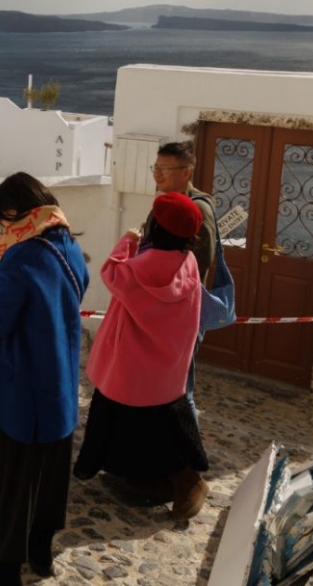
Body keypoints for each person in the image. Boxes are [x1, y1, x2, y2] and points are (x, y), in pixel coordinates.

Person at [0, 172, 90, 586]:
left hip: (20, 390)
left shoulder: (20, 256)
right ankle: (42, 555)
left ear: (16, 211)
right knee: (48, 479)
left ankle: (6, 571)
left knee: (12, 479)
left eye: (4, 216)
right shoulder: (68, 246)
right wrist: (0, 273)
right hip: (59, 388)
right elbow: (46, 294)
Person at [73, 191, 210, 521]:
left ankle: (178, 479)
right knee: (162, 422)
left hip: (131, 362)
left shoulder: (136, 270)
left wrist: (127, 242)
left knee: (126, 418)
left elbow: (110, 273)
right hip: (168, 361)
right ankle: (164, 478)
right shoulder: (188, 263)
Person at [144, 140, 217, 405]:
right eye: (156, 167)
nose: (157, 174)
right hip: (161, 309)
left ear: (186, 172)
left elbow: (200, 262)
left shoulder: (197, 209)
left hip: (181, 311)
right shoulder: (166, 204)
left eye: (165, 168)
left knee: (179, 389)